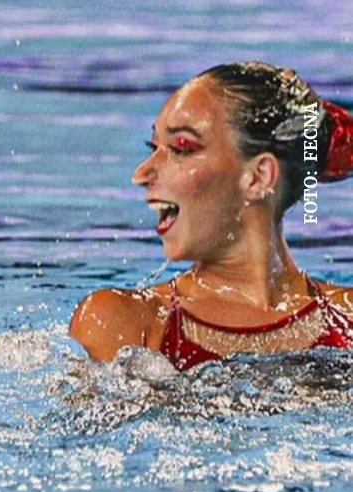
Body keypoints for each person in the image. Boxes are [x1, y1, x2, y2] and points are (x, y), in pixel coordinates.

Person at [70, 62, 353, 371]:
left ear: (259, 177)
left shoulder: (347, 318)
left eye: (181, 149)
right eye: (152, 148)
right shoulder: (125, 323)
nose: (141, 173)